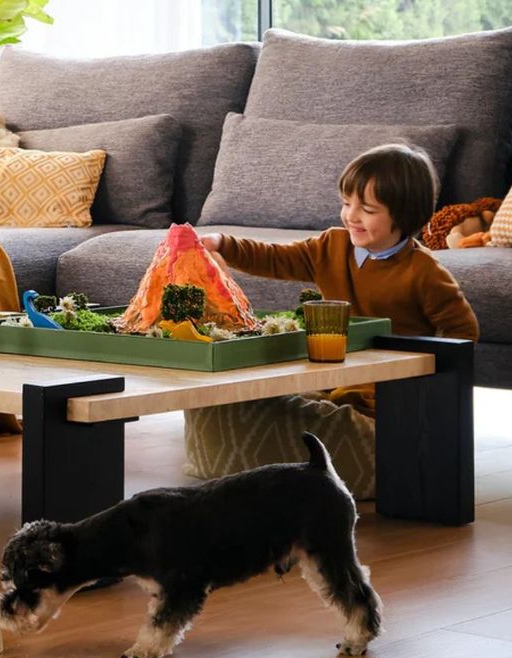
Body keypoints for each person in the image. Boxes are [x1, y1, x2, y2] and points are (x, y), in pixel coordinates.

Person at [187, 144, 479, 497]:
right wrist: (223, 243)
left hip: (381, 395)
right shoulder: (331, 246)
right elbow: (275, 258)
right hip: (333, 380)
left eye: (367, 209)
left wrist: (426, 391)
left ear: (404, 215)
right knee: (263, 394)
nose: (351, 216)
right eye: (346, 203)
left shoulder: (425, 272)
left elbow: (462, 331)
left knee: (322, 414)